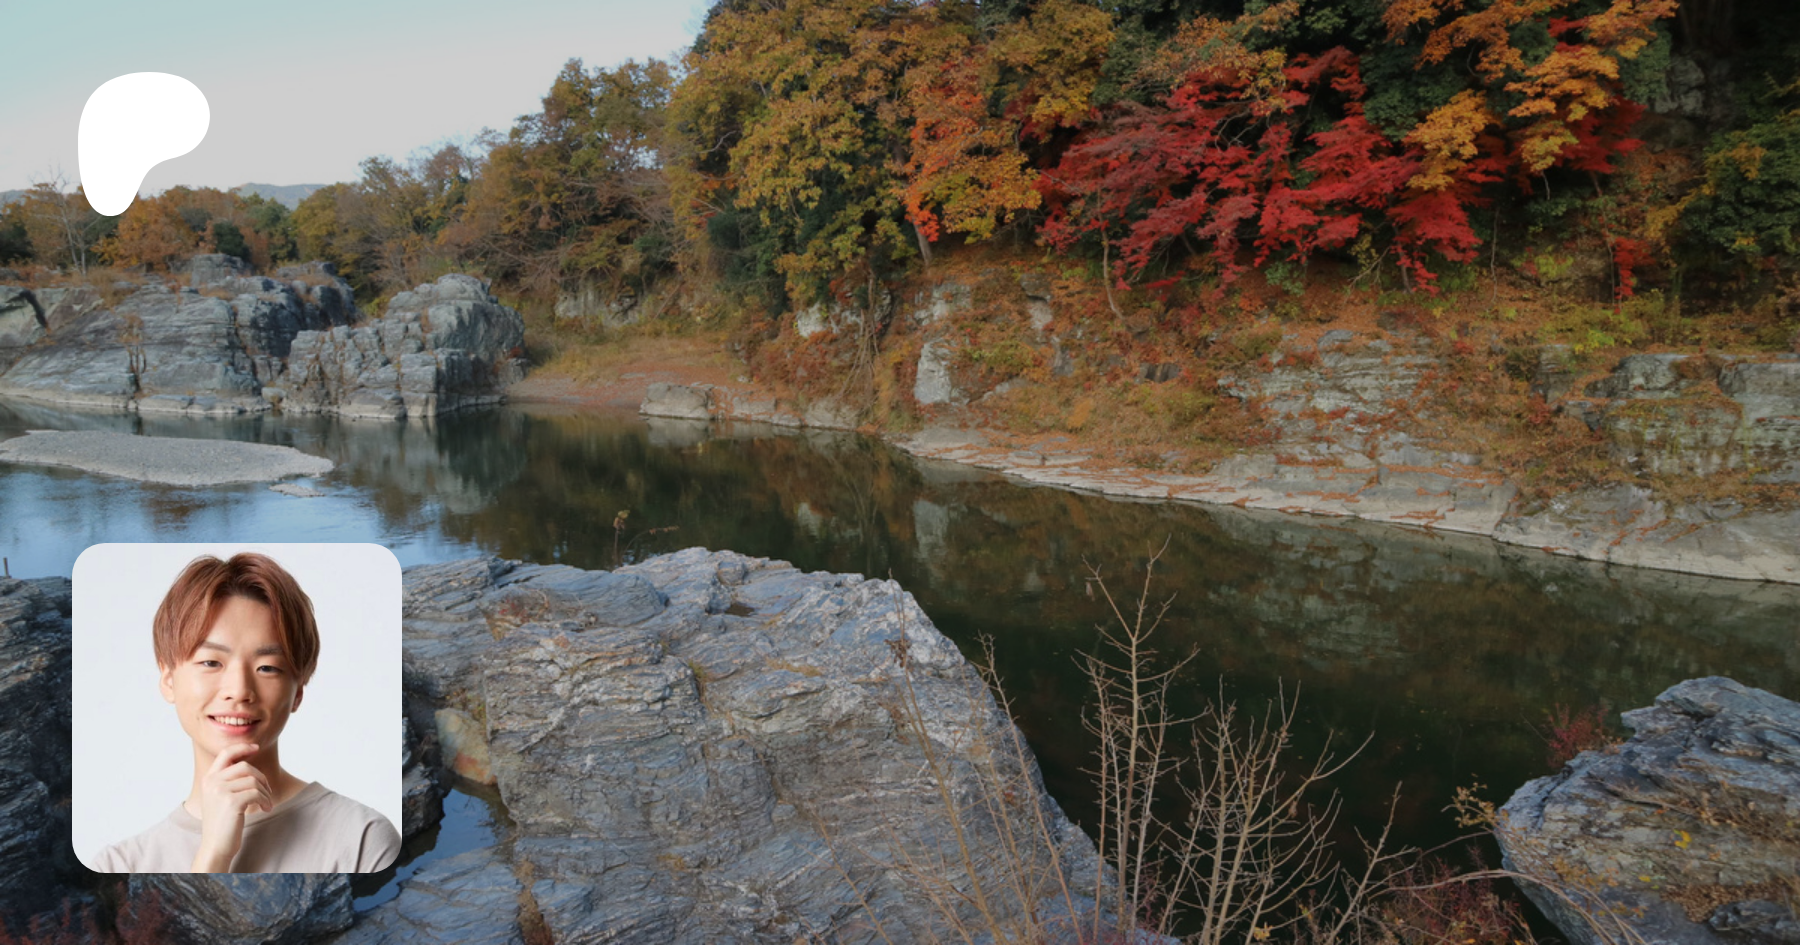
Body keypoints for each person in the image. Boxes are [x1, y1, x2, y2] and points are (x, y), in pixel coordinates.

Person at [93, 552, 401, 873]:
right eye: (211, 662)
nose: (239, 690)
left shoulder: (362, 840)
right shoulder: (118, 866)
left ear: (297, 692)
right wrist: (214, 853)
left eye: (267, 667)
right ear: (168, 679)